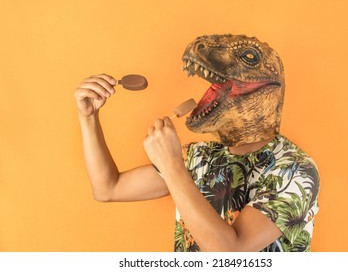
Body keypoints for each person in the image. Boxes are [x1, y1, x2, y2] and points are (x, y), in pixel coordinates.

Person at [74, 34, 320, 252]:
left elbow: (229, 253)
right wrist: (88, 117)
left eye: (248, 56)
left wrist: (171, 166)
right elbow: (108, 188)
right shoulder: (197, 157)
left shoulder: (295, 168)